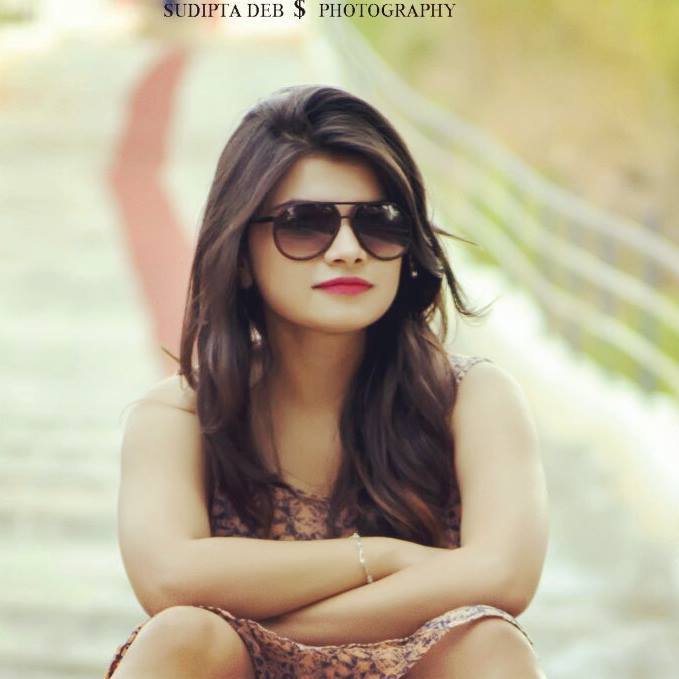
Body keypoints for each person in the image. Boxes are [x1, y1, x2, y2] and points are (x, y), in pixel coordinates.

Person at [105, 84, 549, 678]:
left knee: (488, 642)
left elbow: (504, 576)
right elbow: (168, 579)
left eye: (378, 223)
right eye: (303, 224)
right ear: (241, 254)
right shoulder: (179, 415)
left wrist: (267, 623)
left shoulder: (470, 398)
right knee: (184, 635)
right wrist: (381, 557)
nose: (347, 250)